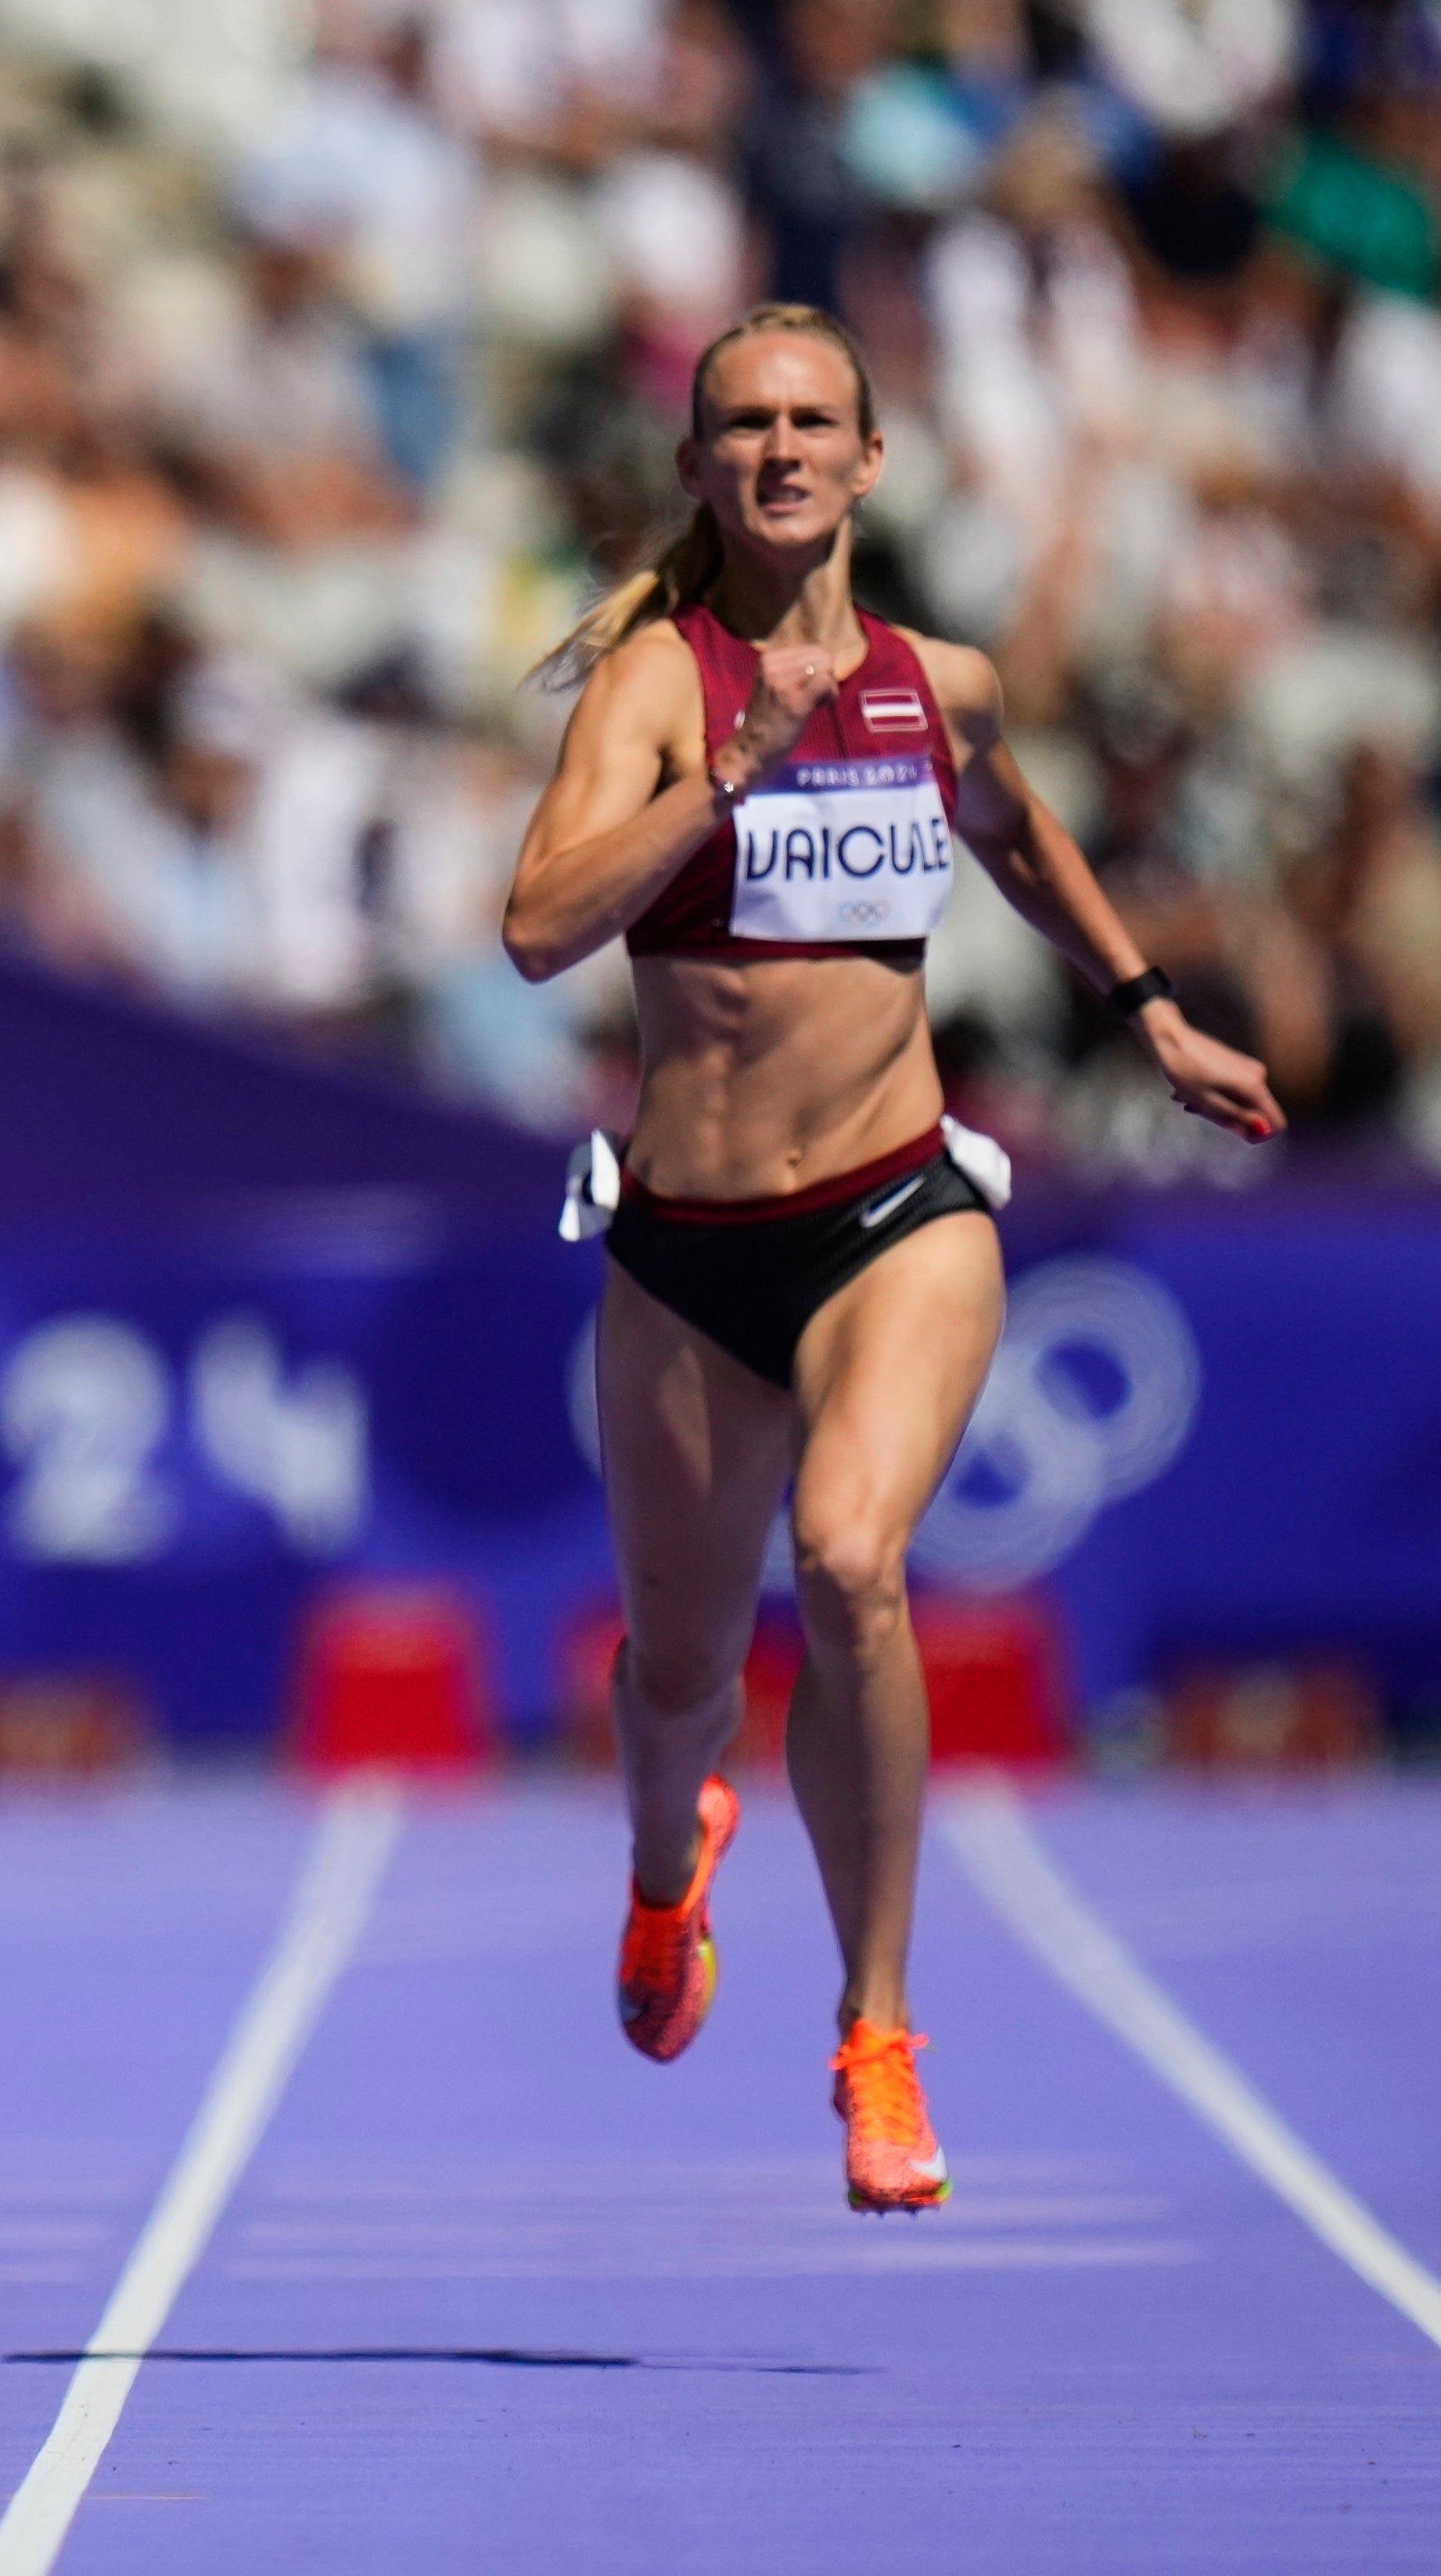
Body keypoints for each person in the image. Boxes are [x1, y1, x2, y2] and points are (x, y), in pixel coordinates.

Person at [503, 307, 1277, 2211]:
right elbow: (533, 927)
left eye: (813, 421)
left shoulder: (945, 683)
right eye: (743, 424)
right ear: (699, 470)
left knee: (853, 1557)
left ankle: (877, 2031)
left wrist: (1151, 1007)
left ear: (868, 459)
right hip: (687, 1247)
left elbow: (1017, 832)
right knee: (680, 1670)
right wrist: (725, 776)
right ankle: (669, 1871)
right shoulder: (655, 689)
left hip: (895, 1209)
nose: (779, 449)